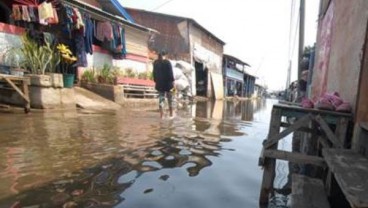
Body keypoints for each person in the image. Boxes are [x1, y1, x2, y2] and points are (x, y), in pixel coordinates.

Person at [153, 50, 175, 119]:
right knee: (170, 99)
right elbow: (170, 74)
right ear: (165, 55)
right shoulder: (168, 62)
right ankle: (171, 115)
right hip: (168, 85)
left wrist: (156, 81)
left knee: (161, 100)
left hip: (160, 85)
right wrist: (173, 83)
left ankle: (161, 115)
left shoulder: (155, 63)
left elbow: (154, 74)